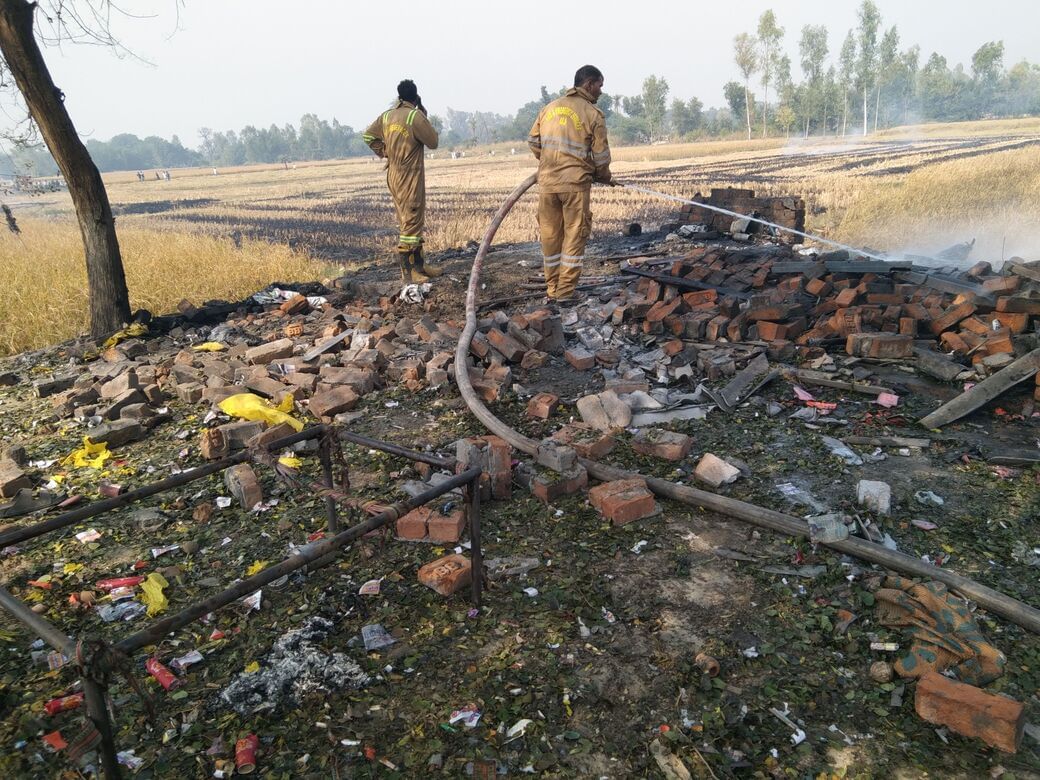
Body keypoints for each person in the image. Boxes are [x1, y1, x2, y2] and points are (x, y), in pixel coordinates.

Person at [528, 64, 614, 305]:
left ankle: (552, 287)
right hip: (575, 186)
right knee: (574, 236)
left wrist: (549, 162)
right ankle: (565, 292)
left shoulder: (549, 109)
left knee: (550, 237)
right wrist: (604, 176)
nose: (600, 91)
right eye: (599, 85)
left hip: (547, 185)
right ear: (588, 84)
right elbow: (601, 157)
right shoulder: (593, 114)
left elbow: (533, 142)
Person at [363, 79, 440, 283]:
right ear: (415, 96)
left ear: (399, 96)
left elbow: (369, 136)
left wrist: (386, 152)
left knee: (407, 221)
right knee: (412, 223)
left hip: (393, 176)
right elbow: (433, 142)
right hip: (410, 177)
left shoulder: (387, 116)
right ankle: (409, 273)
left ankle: (420, 266)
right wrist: (422, 112)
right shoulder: (414, 116)